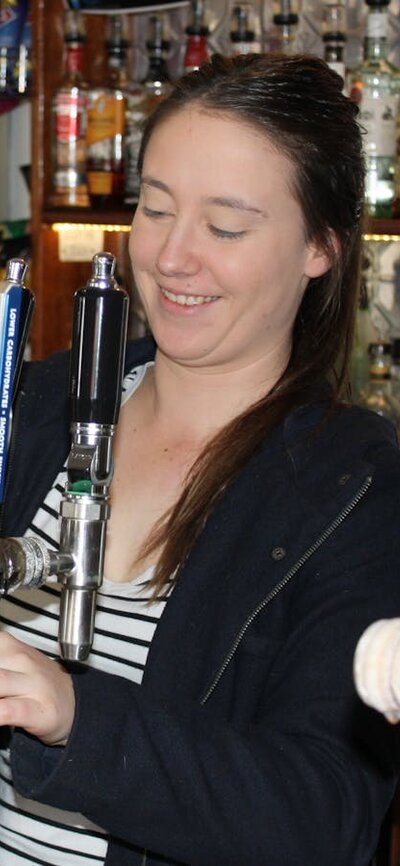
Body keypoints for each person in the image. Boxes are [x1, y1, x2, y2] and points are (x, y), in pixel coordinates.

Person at [0, 51, 399, 866]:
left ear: (321, 246)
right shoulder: (34, 407)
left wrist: (76, 718)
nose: (173, 258)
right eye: (155, 209)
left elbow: (325, 819)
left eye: (225, 227)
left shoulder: (358, 489)